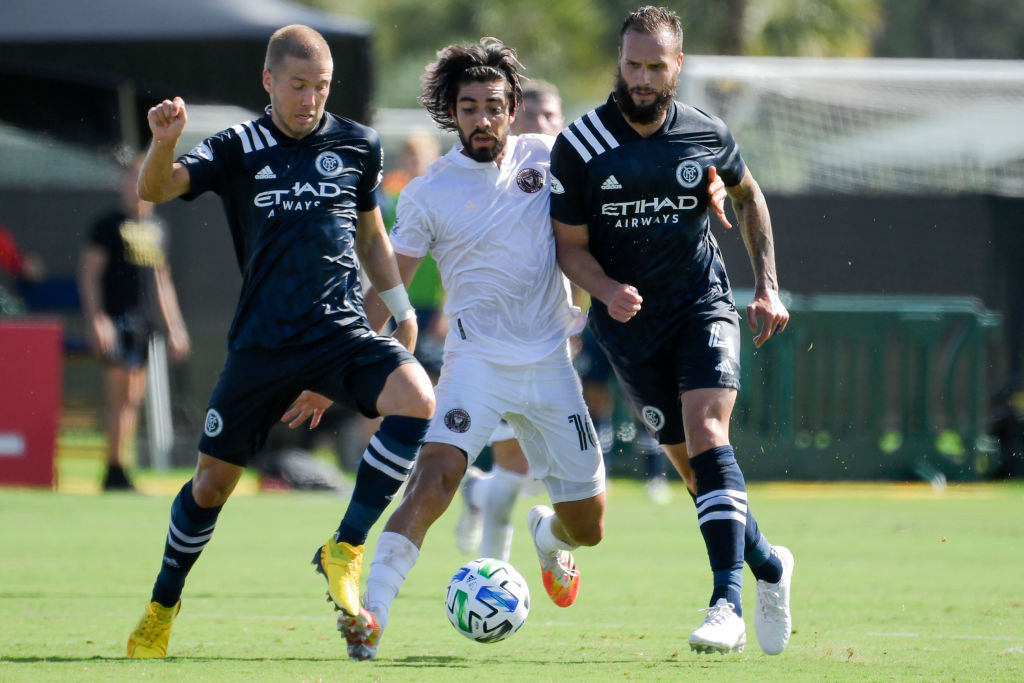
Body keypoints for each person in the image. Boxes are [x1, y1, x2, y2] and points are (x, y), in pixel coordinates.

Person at [289, 38, 608, 661]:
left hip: (550, 364)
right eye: (469, 107)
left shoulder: (553, 160)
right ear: (451, 112)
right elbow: (386, 287)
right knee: (433, 479)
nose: (482, 119)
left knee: (588, 529)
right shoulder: (429, 192)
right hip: (475, 365)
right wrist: (335, 373)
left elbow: (619, 204)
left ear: (513, 107)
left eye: (493, 105)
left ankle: (546, 535)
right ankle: (371, 616)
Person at [124, 24, 435, 658]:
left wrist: (399, 307)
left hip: (340, 332)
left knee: (416, 398)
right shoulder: (239, 146)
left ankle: (343, 547)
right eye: (298, 86)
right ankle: (162, 605)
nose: (310, 99)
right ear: (269, 81)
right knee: (212, 485)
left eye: (320, 87)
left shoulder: (357, 144)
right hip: (263, 348)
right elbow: (155, 188)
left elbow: (372, 237)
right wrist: (163, 144)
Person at [550, 6, 794, 656]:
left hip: (701, 305)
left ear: (676, 66)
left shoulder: (706, 133)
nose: (642, 77)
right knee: (697, 475)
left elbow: (749, 195)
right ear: (619, 61)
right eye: (632, 64)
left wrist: (767, 285)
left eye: (656, 66)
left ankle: (727, 604)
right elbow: (568, 246)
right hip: (628, 332)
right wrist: (604, 288)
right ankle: (770, 563)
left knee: (711, 433)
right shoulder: (579, 146)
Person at [452, 79, 568, 562]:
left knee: (538, 472)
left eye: (551, 117)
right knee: (518, 467)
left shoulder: (570, 177)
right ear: (513, 122)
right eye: (532, 117)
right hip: (492, 340)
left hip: (551, 338)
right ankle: (496, 577)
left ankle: (477, 497)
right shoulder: (488, 180)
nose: (542, 126)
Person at [77, 155, 191, 491]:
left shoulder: (156, 228)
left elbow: (162, 280)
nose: (136, 186)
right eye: (132, 178)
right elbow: (90, 275)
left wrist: (175, 327)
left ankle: (118, 468)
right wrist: (98, 319)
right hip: (116, 320)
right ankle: (113, 469)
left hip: (143, 324)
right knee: (120, 396)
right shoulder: (107, 225)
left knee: (133, 398)